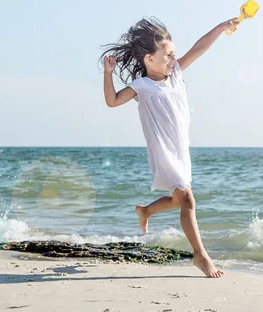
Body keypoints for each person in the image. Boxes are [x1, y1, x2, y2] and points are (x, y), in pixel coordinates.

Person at [100, 16, 238, 278]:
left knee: (179, 199)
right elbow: (113, 101)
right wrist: (108, 74)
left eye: (174, 54)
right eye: (168, 55)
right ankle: (200, 255)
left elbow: (199, 49)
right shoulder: (142, 86)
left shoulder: (175, 75)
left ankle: (146, 210)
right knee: (187, 198)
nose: (173, 59)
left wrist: (220, 27)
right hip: (163, 149)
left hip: (180, 148)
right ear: (149, 59)